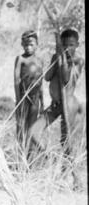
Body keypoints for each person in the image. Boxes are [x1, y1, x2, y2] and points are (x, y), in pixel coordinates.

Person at [44, 28, 85, 160]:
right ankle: (48, 159)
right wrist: (57, 58)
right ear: (61, 44)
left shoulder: (78, 60)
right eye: (64, 45)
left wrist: (62, 60)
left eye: (71, 45)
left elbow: (66, 79)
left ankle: (67, 169)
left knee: (65, 138)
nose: (67, 48)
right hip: (55, 104)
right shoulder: (56, 56)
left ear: (77, 45)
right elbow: (47, 77)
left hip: (68, 105)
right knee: (33, 131)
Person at [13, 30, 44, 157]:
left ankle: (30, 158)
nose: (28, 47)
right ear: (22, 44)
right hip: (23, 98)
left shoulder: (40, 60)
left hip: (35, 100)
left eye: (31, 44)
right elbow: (16, 80)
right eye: (26, 44)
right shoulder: (20, 59)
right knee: (21, 129)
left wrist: (42, 102)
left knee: (31, 129)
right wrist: (19, 100)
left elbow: (40, 82)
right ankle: (20, 157)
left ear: (37, 44)